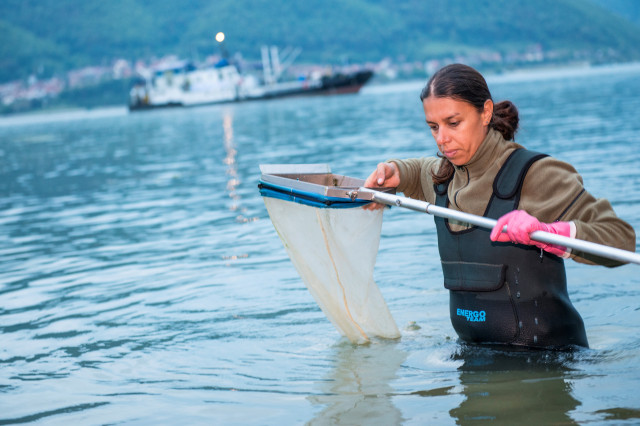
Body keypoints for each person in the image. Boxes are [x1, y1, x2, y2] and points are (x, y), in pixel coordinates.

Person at [364, 63, 636, 350]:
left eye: (453, 123)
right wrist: (395, 171)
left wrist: (549, 232)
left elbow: (622, 241)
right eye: (433, 127)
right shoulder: (443, 178)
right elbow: (418, 169)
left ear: (486, 112)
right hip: (474, 363)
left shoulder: (536, 174)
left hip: (547, 367)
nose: (441, 139)